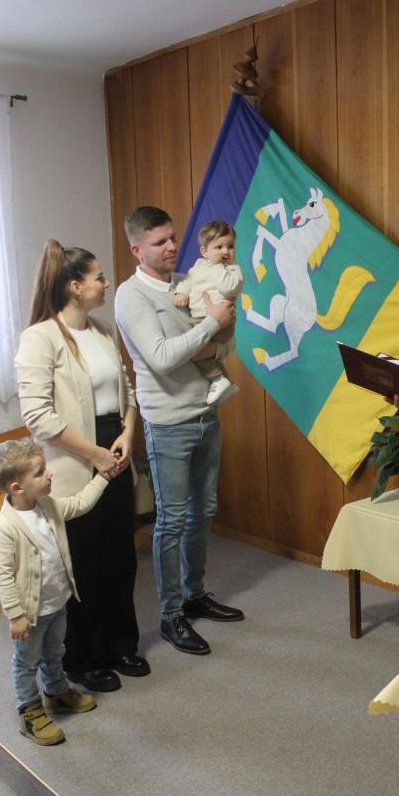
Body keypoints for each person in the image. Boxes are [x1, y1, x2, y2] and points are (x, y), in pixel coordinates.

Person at [16, 239, 149, 693]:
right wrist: (94, 454)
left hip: (115, 449)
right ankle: (84, 658)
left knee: (119, 555)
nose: (106, 283)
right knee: (83, 562)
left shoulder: (103, 330)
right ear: (75, 286)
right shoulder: (40, 337)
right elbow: (37, 415)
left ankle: (121, 645)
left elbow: (127, 390)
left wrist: (127, 434)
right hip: (74, 460)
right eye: (98, 277)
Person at [115, 206, 244, 658]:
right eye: (159, 242)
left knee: (203, 509)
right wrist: (210, 327)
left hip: (206, 410)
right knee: (171, 521)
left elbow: (227, 341)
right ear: (137, 250)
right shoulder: (131, 296)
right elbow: (162, 357)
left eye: (173, 237)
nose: (172, 246)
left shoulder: (189, 280)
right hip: (168, 421)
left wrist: (209, 340)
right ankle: (171, 616)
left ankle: (194, 595)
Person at [0, 438, 106, 745]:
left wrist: (103, 477)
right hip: (30, 614)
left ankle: (56, 692)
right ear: (17, 487)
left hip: (57, 603)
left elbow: (79, 504)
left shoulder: (47, 506)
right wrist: (15, 615)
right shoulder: (4, 528)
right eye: (40, 472)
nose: (49, 474)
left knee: (55, 652)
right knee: (26, 663)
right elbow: (3, 576)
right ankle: (29, 711)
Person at [171, 220, 243, 408]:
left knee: (196, 353)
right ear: (204, 251)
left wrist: (218, 266)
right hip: (200, 319)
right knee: (198, 352)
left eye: (230, 246)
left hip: (222, 322)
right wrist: (181, 292)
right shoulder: (199, 266)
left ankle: (217, 379)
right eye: (219, 247)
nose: (225, 251)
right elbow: (188, 280)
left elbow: (229, 288)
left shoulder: (233, 270)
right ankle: (223, 381)